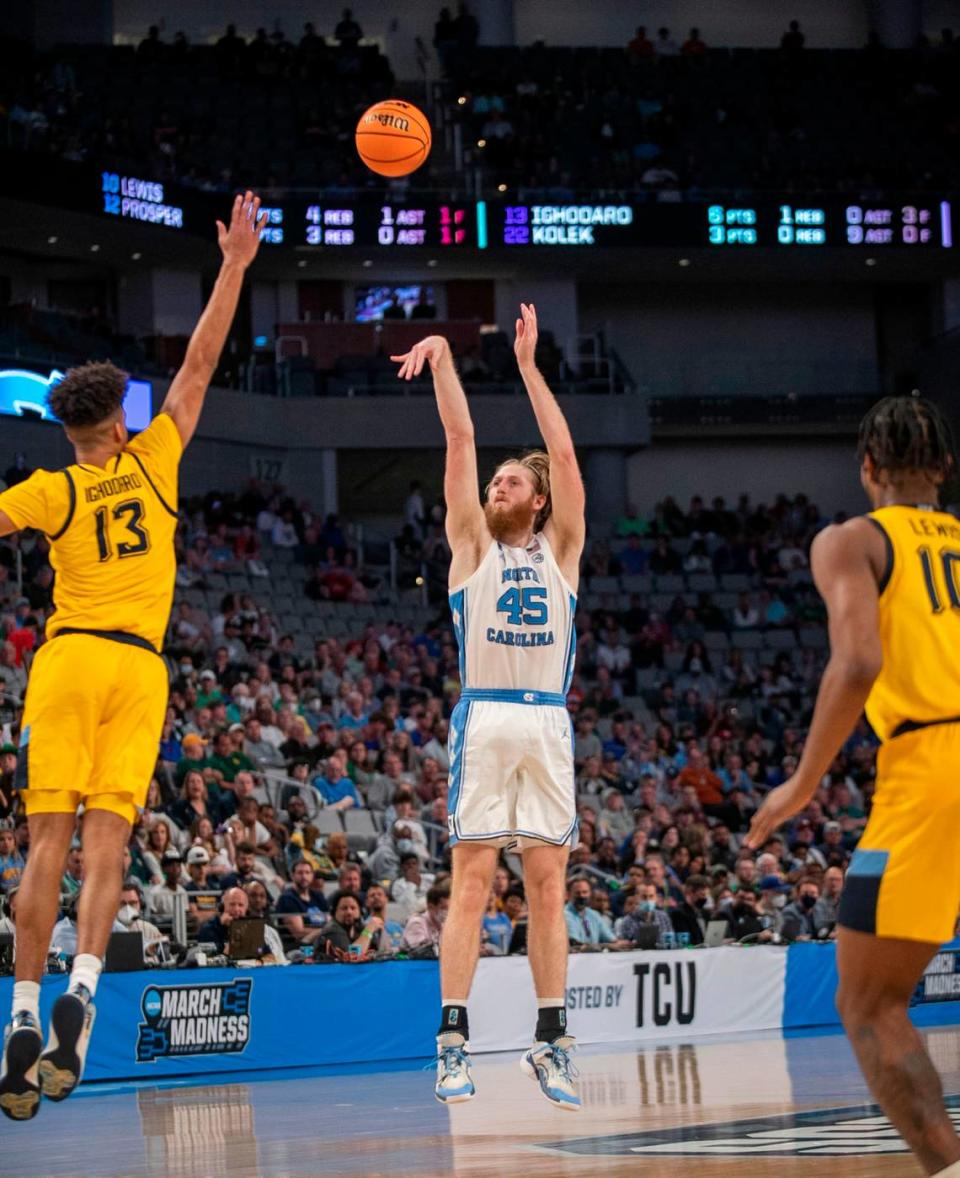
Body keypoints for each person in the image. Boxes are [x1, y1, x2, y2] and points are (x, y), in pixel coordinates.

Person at [0, 192, 265, 1122]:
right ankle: (81, 994)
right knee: (107, 846)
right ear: (116, 423)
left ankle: (22, 1013)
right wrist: (233, 262)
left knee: (45, 844)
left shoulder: (48, 487)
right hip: (138, 669)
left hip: (65, 660)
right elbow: (199, 360)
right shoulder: (153, 459)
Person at [747, 396, 960, 1175]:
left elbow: (860, 661)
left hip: (932, 762)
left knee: (869, 1003)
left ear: (866, 470)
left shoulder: (852, 541)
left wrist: (803, 782)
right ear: (943, 468)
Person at [392, 303, 586, 1109]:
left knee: (547, 885)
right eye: (498, 481)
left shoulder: (563, 550)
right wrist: (443, 358)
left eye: (514, 481)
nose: (499, 484)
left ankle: (550, 1043)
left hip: (547, 719)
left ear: (537, 503)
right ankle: (451, 1042)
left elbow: (567, 453)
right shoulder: (469, 544)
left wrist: (531, 369)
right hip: (488, 714)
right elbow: (461, 443)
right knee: (471, 883)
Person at [274, 860, 329, 945]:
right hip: (297, 948)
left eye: (307, 873)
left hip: (322, 944)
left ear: (312, 875)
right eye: (300, 873)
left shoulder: (318, 896)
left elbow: (330, 921)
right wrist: (326, 931)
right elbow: (299, 933)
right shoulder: (287, 898)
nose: (304, 876)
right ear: (292, 876)